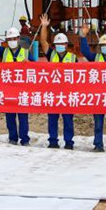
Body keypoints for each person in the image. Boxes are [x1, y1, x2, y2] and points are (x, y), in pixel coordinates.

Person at [0, 16, 36, 145]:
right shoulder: (4, 52)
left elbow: (37, 69)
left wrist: (29, 63)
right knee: (10, 117)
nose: (12, 41)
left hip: (22, 90)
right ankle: (13, 138)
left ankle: (24, 139)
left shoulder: (26, 53)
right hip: (8, 90)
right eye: (9, 39)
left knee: (23, 117)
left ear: (18, 39)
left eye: (14, 39)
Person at [79, 24, 106, 152]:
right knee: (98, 123)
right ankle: (98, 145)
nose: (105, 48)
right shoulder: (96, 58)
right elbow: (85, 51)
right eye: (103, 46)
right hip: (99, 96)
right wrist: (83, 36)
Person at [39, 14, 76, 150]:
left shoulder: (73, 58)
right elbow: (43, 42)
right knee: (52, 119)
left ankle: (69, 142)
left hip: (67, 93)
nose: (60, 46)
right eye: (57, 44)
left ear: (66, 45)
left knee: (68, 120)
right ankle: (53, 141)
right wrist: (44, 27)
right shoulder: (52, 54)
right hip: (53, 93)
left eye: (62, 44)